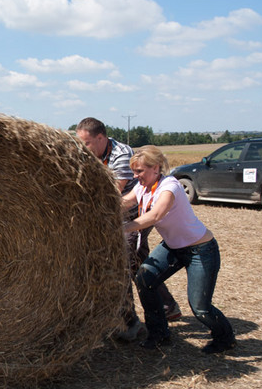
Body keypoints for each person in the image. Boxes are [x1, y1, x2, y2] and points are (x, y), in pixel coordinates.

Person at [121, 145, 236, 354]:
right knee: (145, 279)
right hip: (173, 247)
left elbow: (156, 215)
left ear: (155, 167)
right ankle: (158, 334)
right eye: (134, 171)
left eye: (139, 171)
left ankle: (225, 337)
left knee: (200, 308)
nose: (135, 176)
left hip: (200, 250)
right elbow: (124, 202)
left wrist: (123, 228)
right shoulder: (143, 187)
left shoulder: (169, 187)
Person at [75, 118, 181, 342]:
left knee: (122, 261)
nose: (82, 149)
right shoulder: (91, 155)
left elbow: (114, 195)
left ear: (100, 138)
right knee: (139, 262)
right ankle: (167, 305)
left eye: (86, 144)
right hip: (114, 212)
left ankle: (129, 323)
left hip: (134, 213)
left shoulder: (121, 156)